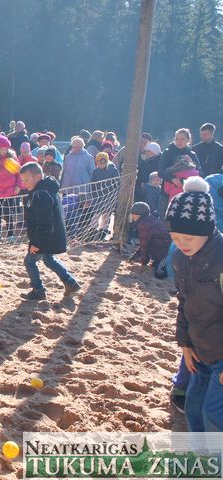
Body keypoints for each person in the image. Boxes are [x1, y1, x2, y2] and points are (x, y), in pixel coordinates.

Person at [166, 177, 223, 432]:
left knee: (214, 414)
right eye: (175, 237)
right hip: (199, 350)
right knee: (193, 406)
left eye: (188, 237)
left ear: (207, 230)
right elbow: (184, 301)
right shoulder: (180, 258)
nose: (181, 243)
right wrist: (185, 344)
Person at [19, 162, 81, 301]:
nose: (24, 183)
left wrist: (36, 243)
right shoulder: (46, 189)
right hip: (53, 236)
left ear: (38, 177)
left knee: (29, 262)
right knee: (49, 259)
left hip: (45, 237)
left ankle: (38, 290)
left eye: (27, 180)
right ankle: (70, 283)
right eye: (22, 180)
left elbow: (45, 222)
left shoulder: (41, 194)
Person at [159, 128, 200, 215]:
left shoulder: (192, 155)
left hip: (187, 192)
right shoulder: (167, 153)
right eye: (177, 139)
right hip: (167, 192)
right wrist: (173, 179)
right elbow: (161, 171)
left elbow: (200, 174)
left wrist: (192, 163)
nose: (179, 141)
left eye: (182, 139)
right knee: (165, 217)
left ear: (188, 140)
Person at [128, 202, 171, 278]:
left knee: (159, 273)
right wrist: (135, 256)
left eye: (132, 214)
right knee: (155, 266)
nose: (131, 216)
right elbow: (144, 243)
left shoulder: (143, 225)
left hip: (166, 252)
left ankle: (171, 266)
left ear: (136, 215)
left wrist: (144, 263)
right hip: (159, 250)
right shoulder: (149, 219)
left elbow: (144, 245)